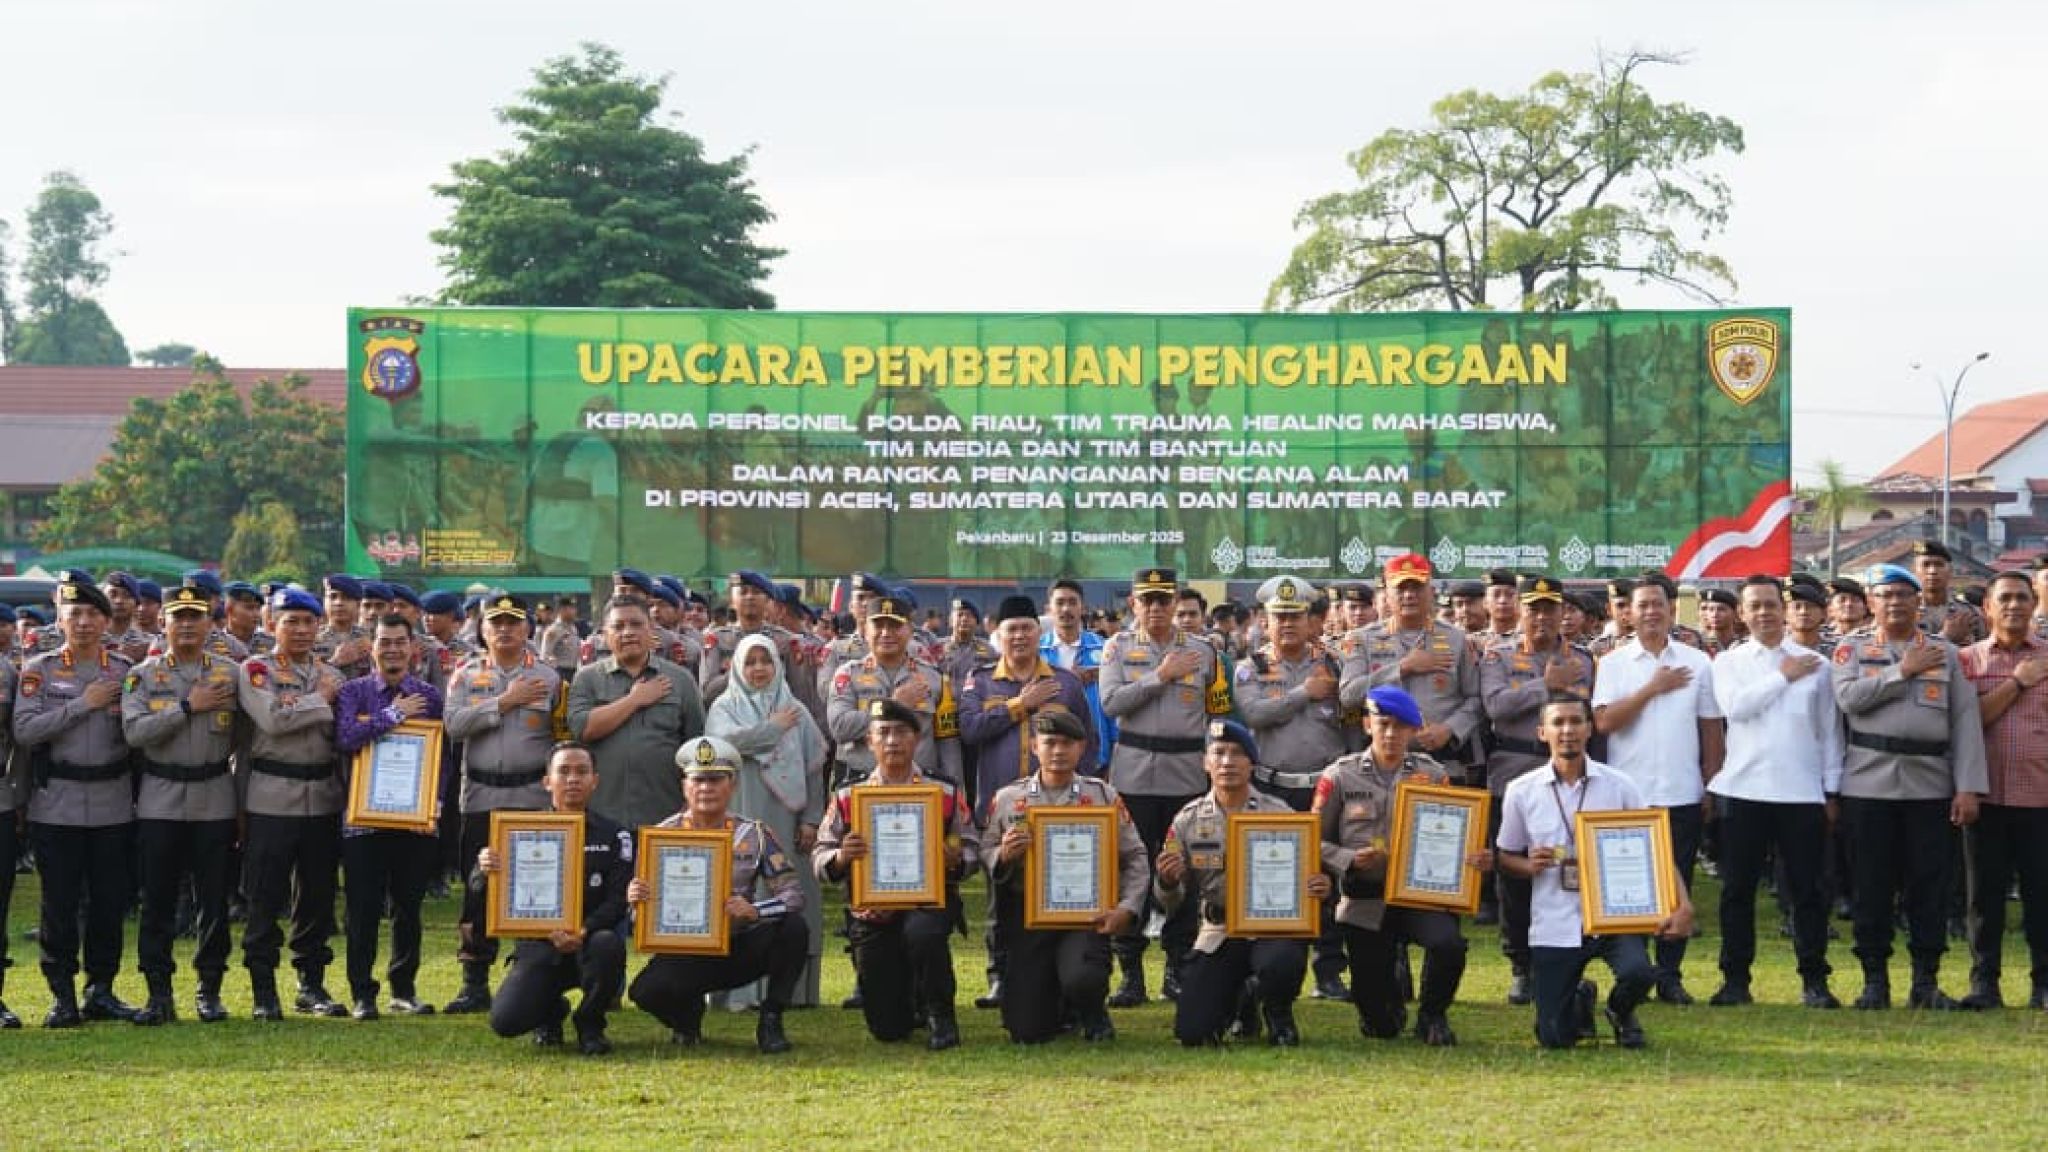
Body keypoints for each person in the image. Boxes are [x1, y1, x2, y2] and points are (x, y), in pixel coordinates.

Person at [1496, 695, 1696, 1049]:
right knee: (1554, 1038)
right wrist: (1527, 866)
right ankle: (1580, 995)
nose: (1568, 730)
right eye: (1558, 723)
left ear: (1590, 729)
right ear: (1543, 732)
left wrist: (1683, 904)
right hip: (1555, 919)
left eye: (1576, 721)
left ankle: (1620, 1011)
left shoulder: (1620, 785)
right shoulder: (1521, 791)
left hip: (1614, 916)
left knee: (1639, 972)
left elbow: (1656, 847)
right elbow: (1505, 854)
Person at [1830, 563, 1988, 1009]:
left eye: (1904, 594)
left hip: (1929, 786)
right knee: (1871, 886)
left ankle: (1925, 982)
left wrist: (1968, 786)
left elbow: (1965, 722)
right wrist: (1903, 671)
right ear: (1871, 603)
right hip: (1869, 783)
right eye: (1885, 595)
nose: (1895, 602)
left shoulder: (1945, 653)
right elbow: (1848, 699)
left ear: (1919, 602)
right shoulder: (1851, 649)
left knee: (1929, 887)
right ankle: (1874, 981)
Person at [1316, 687, 1490, 1045]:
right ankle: (1386, 995)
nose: (1391, 734)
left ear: (1413, 732)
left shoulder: (1434, 774)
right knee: (1381, 1026)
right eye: (1384, 724)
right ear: (1367, 725)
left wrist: (1474, 856)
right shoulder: (1339, 776)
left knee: (1449, 944)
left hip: (1420, 896)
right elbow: (1310, 839)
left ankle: (1432, 1015)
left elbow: (1455, 832)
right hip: (1365, 898)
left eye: (1401, 727)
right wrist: (1348, 859)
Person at [1707, 576, 1845, 1008]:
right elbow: (1736, 708)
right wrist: (1782, 678)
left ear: (1783, 609)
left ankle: (1814, 980)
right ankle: (1735, 980)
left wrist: (1832, 789)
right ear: (1742, 614)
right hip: (1743, 789)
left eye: (1771, 604)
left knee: (1808, 892)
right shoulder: (1728, 663)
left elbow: (1830, 732)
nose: (1764, 613)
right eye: (1755, 606)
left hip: (1801, 793)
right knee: (1737, 891)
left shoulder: (1816, 665)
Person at [1101, 567, 1234, 1007]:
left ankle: (1178, 964)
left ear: (1176, 601)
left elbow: (1218, 714)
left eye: (1163, 599)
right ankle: (1131, 971)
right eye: (1148, 600)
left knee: (1187, 867)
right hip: (1135, 772)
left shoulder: (1203, 651)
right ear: (1134, 604)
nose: (1156, 608)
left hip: (1186, 774)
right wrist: (1160, 675)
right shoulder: (1118, 647)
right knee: (1131, 868)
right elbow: (1110, 703)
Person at [1155, 719, 1332, 1046]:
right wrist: (1167, 882)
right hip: (1219, 931)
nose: (1227, 762)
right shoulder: (1187, 820)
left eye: (1237, 753)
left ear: (1252, 762)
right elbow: (1171, 901)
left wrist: (1318, 888)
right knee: (1194, 1033)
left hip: (1272, 927)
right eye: (1218, 753)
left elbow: (1308, 879)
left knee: (1280, 962)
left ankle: (1277, 1011)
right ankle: (1242, 998)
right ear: (1205, 763)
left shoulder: (1280, 814)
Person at [14, 574, 141, 1027]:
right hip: (58, 803)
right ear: (61, 621)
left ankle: (100, 989)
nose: (83, 623)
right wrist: (82, 704)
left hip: (111, 802)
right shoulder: (40, 670)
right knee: (60, 904)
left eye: (92, 614)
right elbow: (25, 732)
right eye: (74, 615)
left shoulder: (125, 671)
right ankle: (61, 994)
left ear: (106, 621)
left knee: (109, 902)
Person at [813, 698, 976, 1050]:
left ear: (917, 739)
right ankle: (908, 996)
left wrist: (955, 859)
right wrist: (841, 856)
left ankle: (940, 1013)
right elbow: (820, 854)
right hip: (872, 910)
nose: (892, 741)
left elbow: (973, 846)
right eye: (883, 733)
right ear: (869, 741)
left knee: (923, 933)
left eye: (901, 732)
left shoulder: (944, 790)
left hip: (929, 901)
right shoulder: (847, 795)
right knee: (888, 1029)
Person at [627, 736, 808, 1053]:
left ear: (732, 785)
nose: (706, 788)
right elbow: (636, 920)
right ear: (685, 786)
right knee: (645, 991)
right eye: (698, 779)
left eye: (715, 779)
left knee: (794, 929)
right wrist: (636, 901)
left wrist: (755, 911)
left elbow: (793, 896)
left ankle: (771, 1018)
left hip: (738, 947)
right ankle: (686, 1020)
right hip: (684, 952)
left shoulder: (754, 834)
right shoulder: (660, 837)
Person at [1591, 572, 1723, 1005]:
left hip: (1681, 792)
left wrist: (1709, 784)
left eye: (1658, 604)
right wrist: (1652, 688)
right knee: (1631, 885)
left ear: (1671, 610)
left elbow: (1710, 733)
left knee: (1677, 881)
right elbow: (1606, 722)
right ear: (1628, 612)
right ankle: (1638, 969)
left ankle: (1670, 973)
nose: (1650, 612)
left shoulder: (1698, 662)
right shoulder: (1612, 664)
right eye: (1642, 604)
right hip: (1628, 795)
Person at [959, 595, 1096, 1009]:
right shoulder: (980, 680)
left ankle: (1062, 970)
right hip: (1002, 807)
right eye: (1010, 630)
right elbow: (969, 730)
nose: (1019, 636)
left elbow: (1086, 745)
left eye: (1026, 628)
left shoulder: (1065, 683)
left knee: (1064, 887)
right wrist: (1020, 706)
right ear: (997, 635)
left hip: (1060, 809)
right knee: (1001, 892)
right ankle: (999, 973)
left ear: (1041, 633)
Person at [981, 710, 1148, 1043]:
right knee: (1026, 1030)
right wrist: (1003, 855)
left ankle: (1090, 1008)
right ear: (1033, 747)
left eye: (1067, 743)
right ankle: (1055, 1000)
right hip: (1029, 916)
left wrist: (1127, 908)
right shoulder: (1008, 799)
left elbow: (1135, 856)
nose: (1058, 751)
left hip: (1084, 916)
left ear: (1082, 747)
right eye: (1050, 743)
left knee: (1083, 977)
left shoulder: (1103, 797)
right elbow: (984, 852)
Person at [121, 584, 241, 1025]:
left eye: (196, 617)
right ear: (164, 624)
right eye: (179, 618)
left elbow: (246, 741)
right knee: (158, 900)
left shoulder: (230, 673)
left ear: (210, 624)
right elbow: (134, 733)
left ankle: (209, 989)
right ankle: (158, 991)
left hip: (214, 796)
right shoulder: (143, 675)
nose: (188, 625)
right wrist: (187, 707)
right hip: (161, 798)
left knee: (214, 899)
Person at [441, 594, 566, 1014]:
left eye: (513, 622)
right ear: (482, 629)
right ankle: (474, 980)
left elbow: (563, 738)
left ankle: (528, 973)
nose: (505, 630)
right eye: (496, 623)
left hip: (531, 797)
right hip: (480, 797)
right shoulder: (464, 676)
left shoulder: (550, 679)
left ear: (528, 629)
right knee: (479, 886)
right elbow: (454, 726)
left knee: (534, 884)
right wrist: (505, 702)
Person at [1478, 575, 1596, 1002]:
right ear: (1520, 611)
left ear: (1562, 611)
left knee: (1567, 868)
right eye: (1534, 608)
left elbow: (1589, 715)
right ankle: (1520, 965)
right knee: (1514, 874)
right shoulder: (1497, 656)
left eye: (1550, 608)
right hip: (1514, 771)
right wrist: (1545, 684)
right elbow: (1494, 706)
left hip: (1569, 775)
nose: (1542, 617)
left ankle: (1571, 957)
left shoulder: (1582, 659)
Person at [238, 587, 349, 1021]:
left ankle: (311, 983)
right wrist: (319, 700)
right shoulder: (256, 669)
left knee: (317, 897)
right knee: (265, 896)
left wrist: (307, 703)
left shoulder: (332, 675)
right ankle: (263, 988)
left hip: (322, 796)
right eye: (291, 622)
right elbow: (272, 719)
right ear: (271, 625)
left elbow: (340, 736)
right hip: (271, 795)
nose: (301, 630)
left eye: (308, 622)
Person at [479, 741, 633, 1055]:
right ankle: (550, 1011)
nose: (573, 779)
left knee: (608, 945)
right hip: (539, 945)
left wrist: (584, 930)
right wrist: (483, 869)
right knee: (505, 1022)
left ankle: (590, 1023)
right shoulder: (517, 833)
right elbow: (479, 891)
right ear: (547, 780)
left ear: (595, 780)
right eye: (564, 771)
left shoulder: (616, 835)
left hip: (590, 943)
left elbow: (619, 901)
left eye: (582, 771)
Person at [1236, 576, 1349, 1001]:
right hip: (1273, 789)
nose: (1287, 624)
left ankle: (1329, 968)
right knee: (1275, 874)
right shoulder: (1252, 667)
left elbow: (1351, 724)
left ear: (1310, 620)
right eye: (1279, 617)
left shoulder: (1335, 664)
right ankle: (1271, 963)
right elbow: (1254, 714)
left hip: (1323, 788)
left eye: (1295, 616)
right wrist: (1304, 692)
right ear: (1265, 622)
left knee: (1327, 875)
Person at [704, 634, 829, 1009]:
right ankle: (737, 993)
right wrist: (772, 729)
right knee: (741, 892)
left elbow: (813, 772)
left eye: (766, 661)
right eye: (751, 662)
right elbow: (724, 746)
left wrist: (811, 821)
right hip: (739, 816)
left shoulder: (797, 711)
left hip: (787, 822)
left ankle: (791, 991)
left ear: (777, 665)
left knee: (789, 892)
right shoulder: (724, 707)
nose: (759, 669)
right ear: (737, 668)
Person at [332, 615, 443, 1020]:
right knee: (362, 909)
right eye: (384, 641)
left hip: (414, 818)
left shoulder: (429, 695)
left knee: (408, 908)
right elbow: (345, 738)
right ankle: (363, 993)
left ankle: (404, 988)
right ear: (372, 647)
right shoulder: (354, 692)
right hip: (364, 819)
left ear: (413, 647)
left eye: (399, 641)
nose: (392, 649)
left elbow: (441, 756)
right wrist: (392, 716)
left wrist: (436, 803)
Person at [1956, 570, 2048, 1010]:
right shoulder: (1965, 661)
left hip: (2041, 798)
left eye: (2022, 598)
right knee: (1984, 898)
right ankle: (1984, 984)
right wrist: (2017, 682)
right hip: (1985, 797)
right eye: (2005, 598)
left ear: (2035, 605)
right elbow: (1966, 722)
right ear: (1987, 608)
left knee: (2042, 898)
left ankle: (2043, 985)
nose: (2014, 606)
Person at [1339, 554, 1485, 787]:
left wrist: (1450, 729)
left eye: (1416, 587)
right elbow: (1348, 696)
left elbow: (1475, 698)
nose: (1409, 595)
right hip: (1381, 767)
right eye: (1401, 588)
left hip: (1442, 763)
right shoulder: (1362, 640)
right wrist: (1403, 667)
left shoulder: (1456, 639)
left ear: (1430, 591)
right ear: (1387, 594)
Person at [567, 596, 705, 832]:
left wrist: (690, 805)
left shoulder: (680, 680)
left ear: (651, 629)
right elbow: (582, 729)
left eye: (636, 624)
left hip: (665, 813)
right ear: (604, 634)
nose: (628, 632)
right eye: (618, 626)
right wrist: (634, 700)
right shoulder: (588, 678)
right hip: (602, 815)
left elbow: (696, 748)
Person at [825, 593, 962, 787]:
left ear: (910, 630)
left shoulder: (934, 678)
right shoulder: (848, 675)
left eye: (895, 626)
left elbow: (948, 743)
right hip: (861, 784)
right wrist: (894, 705)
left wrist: (956, 790)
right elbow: (839, 728)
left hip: (920, 787)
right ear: (865, 630)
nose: (886, 633)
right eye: (879, 626)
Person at [1042, 578, 1113, 772]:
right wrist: (1069, 681)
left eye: (1072, 602)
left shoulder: (1105, 648)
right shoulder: (1037, 651)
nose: (1066, 609)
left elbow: (1114, 706)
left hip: (1097, 753)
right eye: (1060, 602)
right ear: (1049, 609)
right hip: (1050, 752)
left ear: (1083, 608)